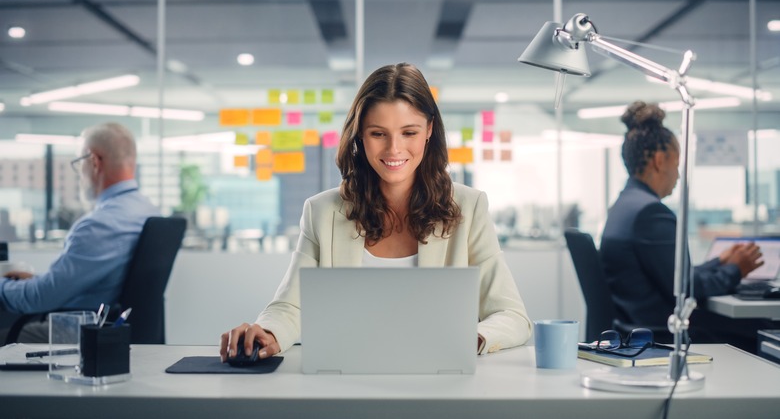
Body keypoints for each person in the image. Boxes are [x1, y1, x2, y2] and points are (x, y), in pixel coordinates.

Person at [221, 63, 531, 362]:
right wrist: (268, 332)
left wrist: (471, 338)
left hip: (441, 377)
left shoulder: (469, 207)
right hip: (347, 376)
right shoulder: (322, 212)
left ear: (429, 130)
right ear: (359, 135)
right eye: (378, 134)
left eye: (408, 132)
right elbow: (291, 306)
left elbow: (512, 316)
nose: (394, 149)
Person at [600, 101, 769, 351]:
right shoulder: (650, 213)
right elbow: (685, 290)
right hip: (663, 334)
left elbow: (673, 275)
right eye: (676, 164)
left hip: (635, 328)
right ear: (659, 160)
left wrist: (719, 262)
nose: (678, 175)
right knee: (762, 330)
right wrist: (735, 270)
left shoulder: (625, 206)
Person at [0, 122, 159, 343]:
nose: (78, 173)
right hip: (113, 329)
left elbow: (40, 298)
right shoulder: (147, 210)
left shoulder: (99, 225)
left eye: (78, 163)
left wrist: (2, 286)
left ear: (93, 162)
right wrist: (40, 280)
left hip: (82, 331)